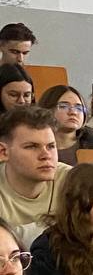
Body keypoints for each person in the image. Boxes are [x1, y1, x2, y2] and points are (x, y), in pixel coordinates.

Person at [0, 105, 70, 246]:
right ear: (3, 152)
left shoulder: (72, 180)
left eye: (51, 146)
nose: (46, 155)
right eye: (31, 146)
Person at [38, 84, 93, 164]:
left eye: (79, 108)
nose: (73, 112)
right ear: (47, 110)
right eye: (64, 106)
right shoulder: (35, 148)